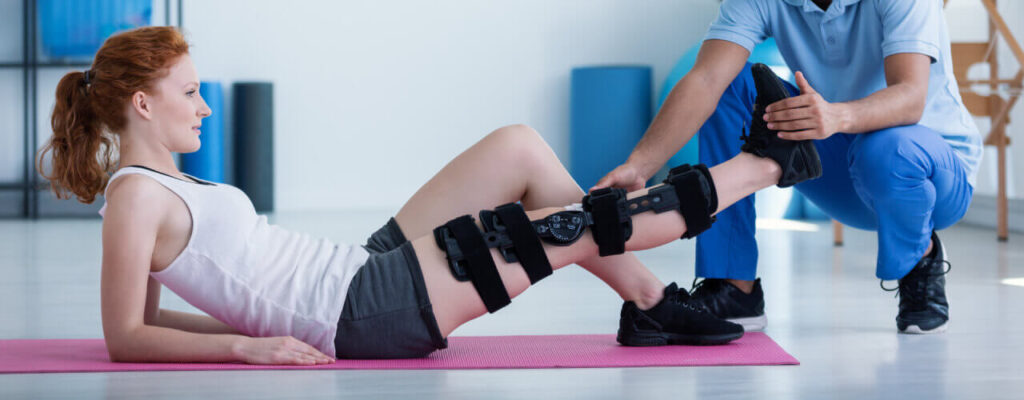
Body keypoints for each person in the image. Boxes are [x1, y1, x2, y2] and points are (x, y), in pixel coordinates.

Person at [38, 26, 814, 364]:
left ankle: (649, 305)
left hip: (356, 270)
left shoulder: (163, 184)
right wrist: (246, 343)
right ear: (143, 104)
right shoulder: (135, 199)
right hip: (361, 314)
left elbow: (154, 319)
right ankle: (769, 164)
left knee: (517, 146)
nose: (204, 107)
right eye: (189, 93)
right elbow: (127, 336)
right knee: (575, 225)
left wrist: (237, 323)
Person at [594, 0, 978, 334]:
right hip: (842, 164)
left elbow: (910, 97)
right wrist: (639, 165)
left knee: (889, 148)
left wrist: (837, 116)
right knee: (729, 87)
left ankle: (920, 258)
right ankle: (734, 288)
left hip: (930, 172)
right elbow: (707, 79)